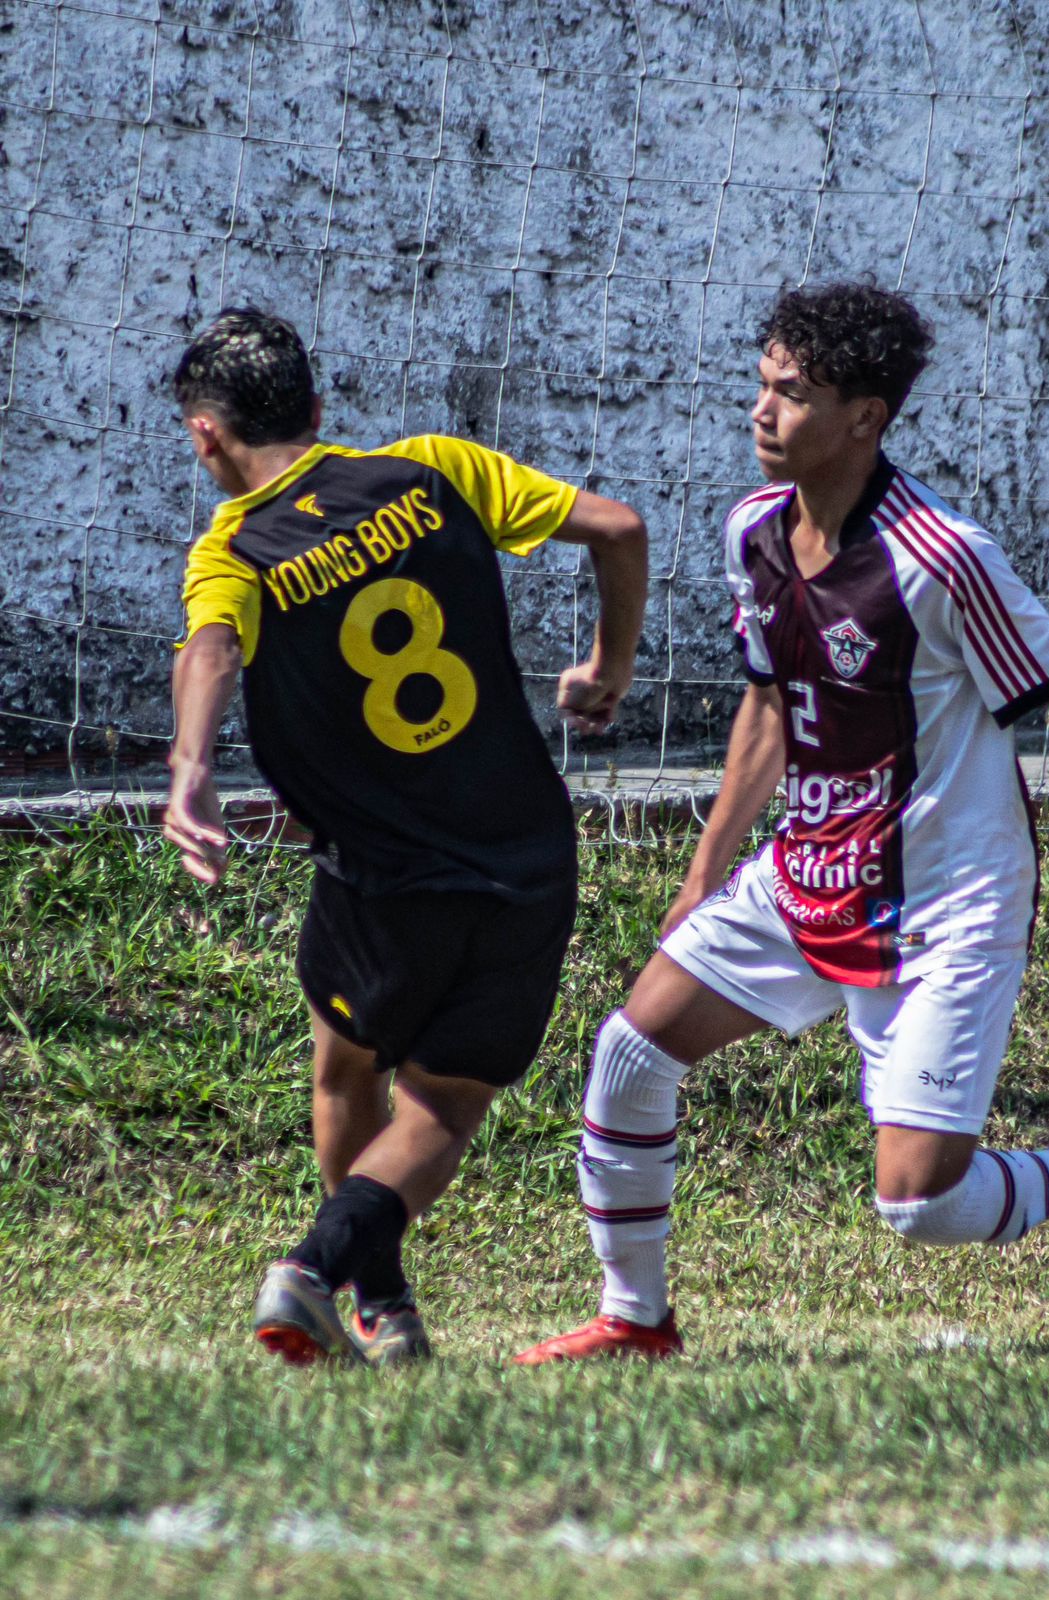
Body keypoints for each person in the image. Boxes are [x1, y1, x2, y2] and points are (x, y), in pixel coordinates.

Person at [514, 281, 1049, 1365]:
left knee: (915, 1206)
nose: (762, 413)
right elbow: (770, 707)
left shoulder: (938, 559)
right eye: (764, 387)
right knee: (630, 1052)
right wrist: (703, 875)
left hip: (945, 901)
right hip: (806, 873)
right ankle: (635, 1318)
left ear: (865, 418)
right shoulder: (753, 532)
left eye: (794, 395)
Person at [164, 306, 647, 1366]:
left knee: (346, 1069)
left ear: (206, 437)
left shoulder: (235, 549)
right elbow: (616, 526)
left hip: (381, 875)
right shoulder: (432, 468)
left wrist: (190, 772)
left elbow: (207, 651)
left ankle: (323, 1273)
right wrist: (607, 669)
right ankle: (368, 1292)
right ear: (319, 412)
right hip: (523, 851)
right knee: (446, 1102)